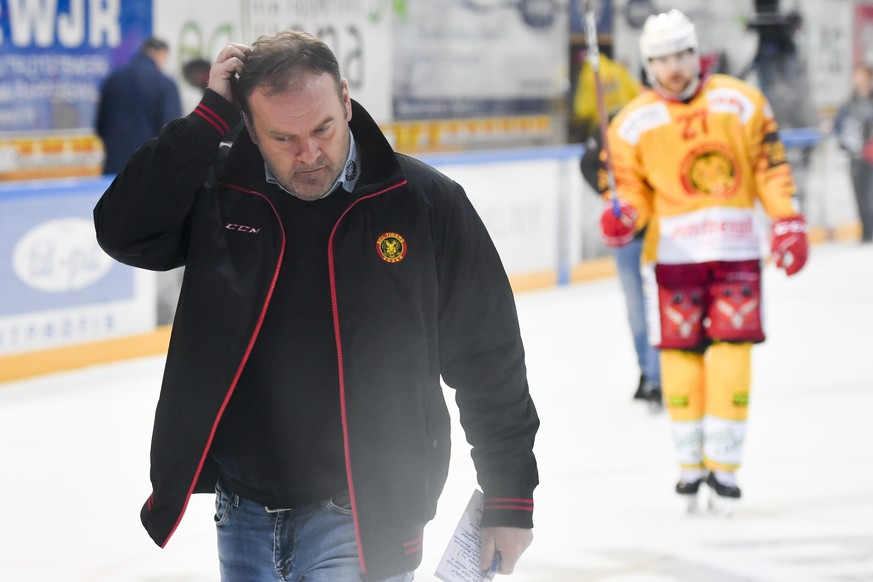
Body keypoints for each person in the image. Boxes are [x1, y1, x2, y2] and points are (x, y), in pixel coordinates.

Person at [93, 31, 539, 581]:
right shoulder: (223, 196)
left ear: (346, 100)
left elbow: (488, 355)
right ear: (249, 129)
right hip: (243, 514)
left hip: (362, 511)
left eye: (323, 128)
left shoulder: (423, 203)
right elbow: (123, 232)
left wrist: (510, 494)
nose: (308, 154)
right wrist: (207, 120)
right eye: (282, 137)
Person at [599, 9, 809, 515]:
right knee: (680, 358)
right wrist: (624, 217)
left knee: (733, 354)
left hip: (736, 254)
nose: (673, 67)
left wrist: (787, 220)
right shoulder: (631, 124)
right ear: (648, 65)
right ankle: (690, 463)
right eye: (661, 59)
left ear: (697, 54)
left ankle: (726, 465)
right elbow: (632, 192)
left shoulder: (741, 102)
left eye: (680, 55)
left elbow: (770, 166)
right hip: (674, 261)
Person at [574, 47, 663, 409]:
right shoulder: (617, 123)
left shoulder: (664, 127)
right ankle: (647, 371)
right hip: (627, 236)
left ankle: (659, 377)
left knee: (656, 304)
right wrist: (609, 193)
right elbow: (588, 162)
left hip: (662, 232)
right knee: (635, 308)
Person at [95, 37, 182, 174]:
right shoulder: (164, 83)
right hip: (148, 167)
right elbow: (172, 130)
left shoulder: (113, 79)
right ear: (161, 53)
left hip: (114, 165)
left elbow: (100, 125)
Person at [834, 63, 873, 243]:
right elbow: (840, 124)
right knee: (859, 194)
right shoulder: (850, 103)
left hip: (870, 156)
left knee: (870, 194)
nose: (856, 80)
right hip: (855, 155)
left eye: (861, 76)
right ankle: (866, 230)